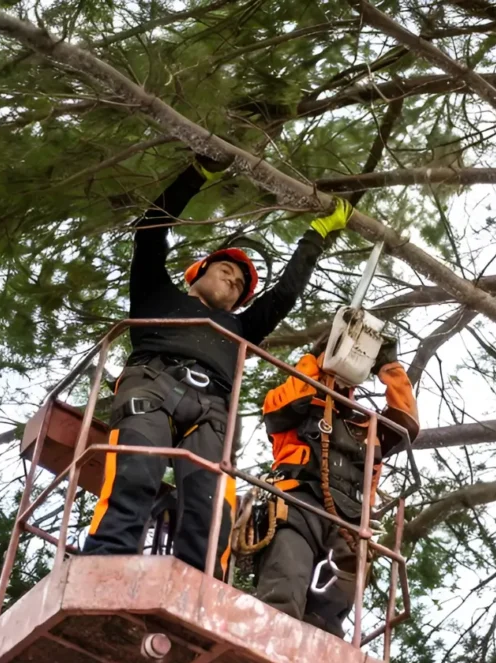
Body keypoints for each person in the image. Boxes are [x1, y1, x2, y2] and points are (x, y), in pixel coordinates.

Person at [84, 155, 352, 580]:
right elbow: (150, 229)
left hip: (211, 408)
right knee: (135, 471)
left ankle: (199, 582)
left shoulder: (242, 327)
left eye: (241, 285)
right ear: (198, 272)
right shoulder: (156, 294)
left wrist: (316, 236)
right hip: (152, 383)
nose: (235, 280)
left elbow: (284, 295)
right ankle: (101, 566)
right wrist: (197, 173)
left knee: (211, 502)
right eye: (227, 270)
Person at [253, 336, 419, 635]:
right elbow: (288, 403)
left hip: (350, 525)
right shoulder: (297, 406)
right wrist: (316, 356)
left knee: (329, 617)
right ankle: (268, 649)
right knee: (284, 589)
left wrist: (389, 367)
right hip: (298, 506)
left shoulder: (368, 427)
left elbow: (406, 424)